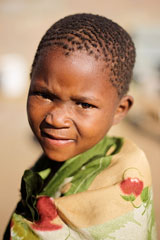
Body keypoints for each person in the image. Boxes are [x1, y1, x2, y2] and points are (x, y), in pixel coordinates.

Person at [4, 13, 157, 239]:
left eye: (84, 104)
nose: (56, 119)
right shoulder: (62, 160)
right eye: (44, 95)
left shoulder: (121, 189)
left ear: (120, 109)